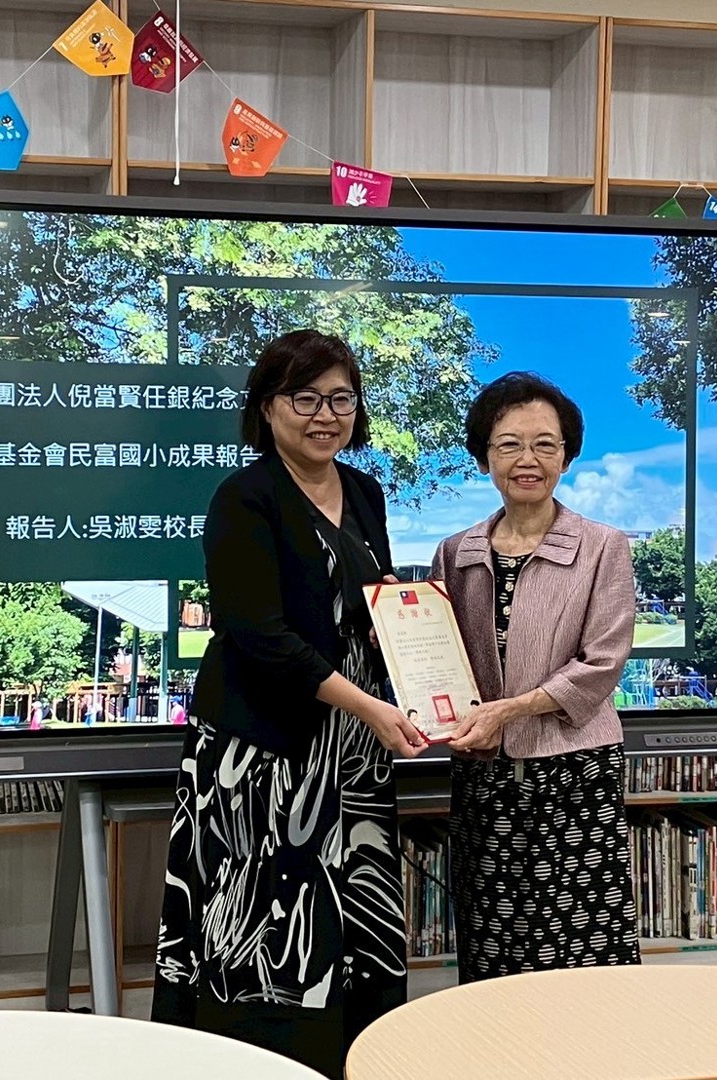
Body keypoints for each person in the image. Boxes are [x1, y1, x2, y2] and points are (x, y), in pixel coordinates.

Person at [152, 329, 426, 1079]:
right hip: (262, 757)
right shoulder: (244, 497)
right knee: (266, 926)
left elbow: (370, 605)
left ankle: (356, 1061)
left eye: (341, 398)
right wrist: (367, 706)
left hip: (354, 753)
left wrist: (412, 643)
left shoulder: (364, 491)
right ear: (267, 407)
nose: (324, 415)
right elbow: (259, 634)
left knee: (355, 916)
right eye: (304, 398)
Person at [431, 371, 640, 983]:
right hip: (484, 773)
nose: (528, 459)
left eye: (545, 444)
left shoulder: (602, 546)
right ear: (484, 457)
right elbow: (439, 653)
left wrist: (509, 710)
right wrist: (391, 624)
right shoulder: (456, 552)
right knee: (491, 932)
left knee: (583, 942)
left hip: (576, 772)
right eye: (509, 445)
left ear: (567, 457)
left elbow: (602, 663)